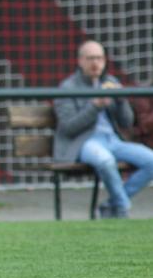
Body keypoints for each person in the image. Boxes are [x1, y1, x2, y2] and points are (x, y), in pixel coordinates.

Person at [53, 40, 153, 219]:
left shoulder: (110, 82)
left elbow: (127, 122)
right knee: (105, 161)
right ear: (80, 60)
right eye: (90, 58)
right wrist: (95, 106)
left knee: (151, 160)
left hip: (112, 140)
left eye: (99, 58)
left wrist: (121, 100)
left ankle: (111, 205)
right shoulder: (68, 87)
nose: (95, 63)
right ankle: (122, 208)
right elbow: (69, 128)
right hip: (85, 141)